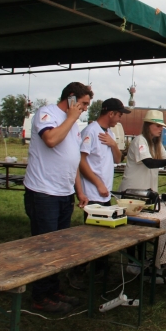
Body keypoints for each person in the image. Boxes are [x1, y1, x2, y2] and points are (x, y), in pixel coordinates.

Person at [23, 82, 93, 313]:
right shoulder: (46, 113)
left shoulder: (72, 123)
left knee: (59, 246)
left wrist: (79, 190)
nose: (84, 108)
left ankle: (53, 289)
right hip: (43, 192)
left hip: (64, 192)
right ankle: (40, 296)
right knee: (45, 246)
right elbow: (51, 140)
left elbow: (71, 158)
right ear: (71, 98)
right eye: (83, 103)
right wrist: (71, 118)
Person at [68, 98, 128, 290]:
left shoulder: (109, 133)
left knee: (103, 237)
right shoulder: (91, 131)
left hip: (104, 194)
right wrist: (98, 183)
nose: (119, 119)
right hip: (94, 193)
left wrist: (113, 145)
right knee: (90, 238)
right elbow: (81, 161)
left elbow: (118, 159)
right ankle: (77, 272)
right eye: (119, 115)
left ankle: (100, 273)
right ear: (110, 113)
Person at [120, 110, 166, 273]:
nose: (160, 129)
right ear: (148, 126)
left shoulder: (156, 143)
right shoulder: (140, 140)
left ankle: (149, 260)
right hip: (132, 193)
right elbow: (149, 162)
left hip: (147, 192)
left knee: (145, 229)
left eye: (161, 126)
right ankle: (132, 262)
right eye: (157, 126)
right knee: (134, 229)